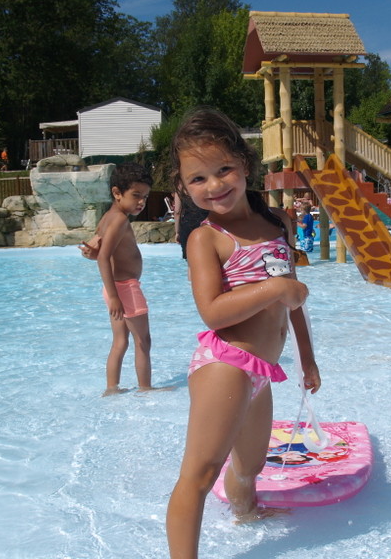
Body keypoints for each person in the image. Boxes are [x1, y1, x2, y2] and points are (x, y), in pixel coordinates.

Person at [165, 107, 321, 558]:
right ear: (183, 186)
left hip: (262, 369)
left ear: (245, 166)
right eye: (198, 179)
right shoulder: (207, 239)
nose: (214, 186)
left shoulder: (276, 223)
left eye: (224, 170)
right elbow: (212, 313)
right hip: (226, 365)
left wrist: (307, 359)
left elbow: (294, 303)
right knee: (200, 472)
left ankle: (246, 513)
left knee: (250, 464)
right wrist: (273, 286)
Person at [80, 163, 155, 396]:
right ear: (117, 193)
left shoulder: (108, 217)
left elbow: (97, 252)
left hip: (116, 288)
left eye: (144, 196)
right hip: (125, 290)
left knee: (120, 341)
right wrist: (114, 297)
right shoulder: (120, 220)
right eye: (136, 195)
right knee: (143, 340)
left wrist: (111, 291)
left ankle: (112, 388)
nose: (141, 202)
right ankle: (145, 388)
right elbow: (103, 256)